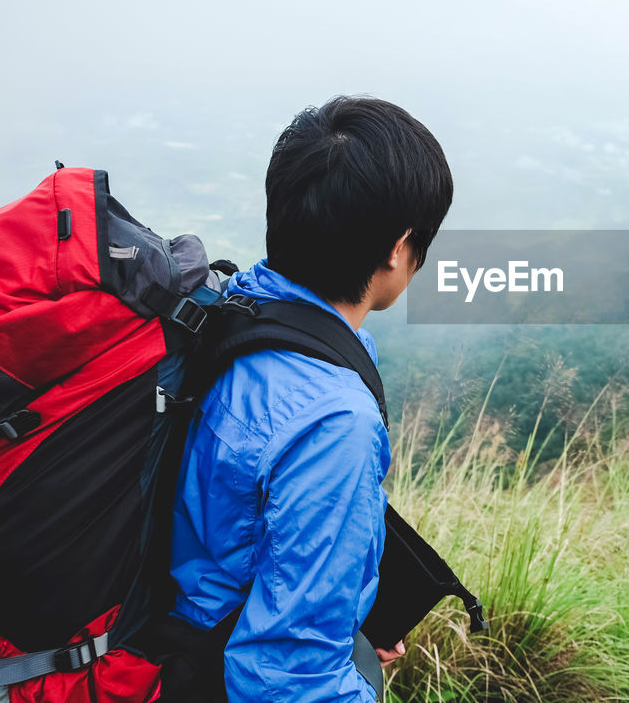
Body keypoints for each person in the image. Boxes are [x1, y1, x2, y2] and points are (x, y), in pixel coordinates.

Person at [166, 96, 453, 701]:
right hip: (206, 667)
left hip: (175, 616)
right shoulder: (332, 421)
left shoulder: (233, 306)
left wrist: (340, 610)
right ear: (399, 249)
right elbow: (290, 680)